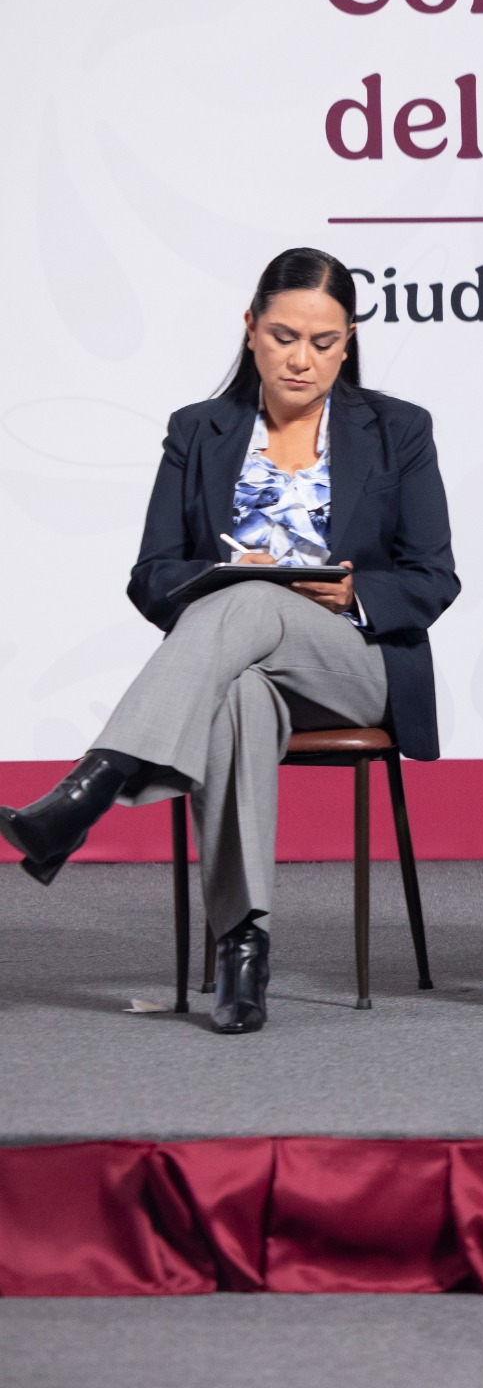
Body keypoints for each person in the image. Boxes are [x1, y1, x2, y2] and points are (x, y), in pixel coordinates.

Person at [0, 249, 458, 1034]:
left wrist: (352, 591)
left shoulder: (398, 429)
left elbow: (434, 577)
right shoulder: (199, 430)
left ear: (348, 341)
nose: (301, 358)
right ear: (250, 330)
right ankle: (242, 950)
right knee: (239, 689)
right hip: (243, 669)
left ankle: (91, 787)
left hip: (354, 664)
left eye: (322, 341)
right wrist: (218, 576)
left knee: (252, 602)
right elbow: (151, 576)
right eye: (284, 335)